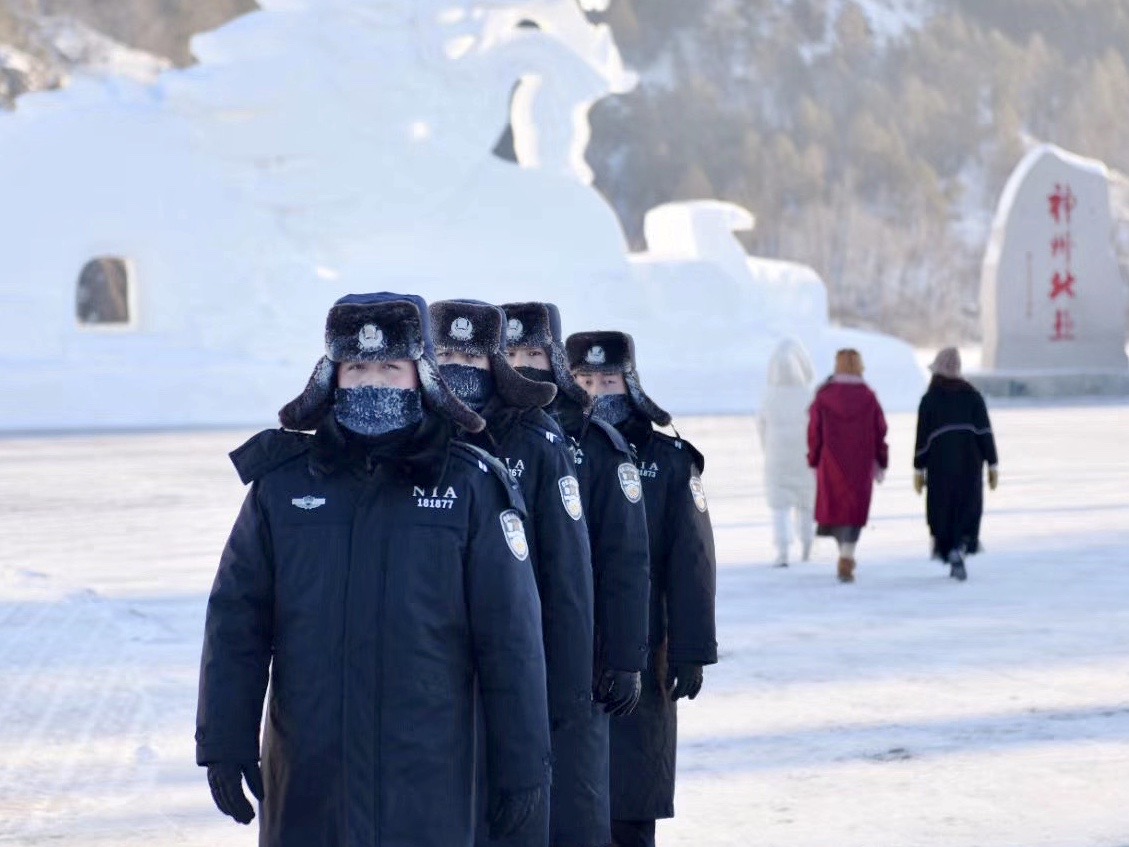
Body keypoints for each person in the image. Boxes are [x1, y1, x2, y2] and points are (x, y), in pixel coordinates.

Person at [196, 292, 552, 847]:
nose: (371, 383)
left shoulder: (470, 486)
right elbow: (237, 621)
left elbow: (512, 639)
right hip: (309, 775)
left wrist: (524, 766)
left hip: (428, 778)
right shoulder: (282, 485)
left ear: (423, 376)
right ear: (330, 377)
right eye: (355, 366)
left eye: (391, 366)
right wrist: (225, 740)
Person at [428, 299, 596, 847]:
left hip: (518, 667)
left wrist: (568, 691)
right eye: (447, 353)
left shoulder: (539, 441)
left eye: (473, 358)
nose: (459, 368)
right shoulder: (412, 438)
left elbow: (568, 578)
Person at [502, 301, 651, 847]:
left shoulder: (598, 448)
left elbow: (624, 562)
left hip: (576, 660)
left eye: (535, 352)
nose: (523, 363)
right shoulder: (468, 441)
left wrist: (625, 658)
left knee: (573, 807)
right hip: (496, 660)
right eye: (511, 351)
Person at [567, 330, 716, 847]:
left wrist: (691, 649)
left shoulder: (669, 459)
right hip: (569, 646)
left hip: (645, 646)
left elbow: (691, 559)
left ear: (630, 382)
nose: (595, 391)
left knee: (630, 796)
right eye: (584, 379)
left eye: (607, 379)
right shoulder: (550, 450)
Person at [913, 347, 999, 581]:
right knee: (967, 506)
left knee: (942, 509)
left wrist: (918, 467)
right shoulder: (973, 396)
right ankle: (960, 547)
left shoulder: (929, 399)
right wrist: (992, 463)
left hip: (939, 465)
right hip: (970, 463)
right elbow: (984, 432)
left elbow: (922, 437)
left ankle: (949, 548)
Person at [807, 348, 888, 583]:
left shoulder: (824, 396)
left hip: (830, 462)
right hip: (861, 463)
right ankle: (847, 554)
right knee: (854, 511)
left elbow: (814, 432)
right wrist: (881, 460)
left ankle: (843, 553)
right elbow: (880, 430)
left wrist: (814, 459)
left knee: (836, 508)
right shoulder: (869, 396)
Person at [757, 338, 817, 567]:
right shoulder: (808, 395)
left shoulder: (769, 396)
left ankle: (782, 550)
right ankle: (807, 545)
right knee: (806, 503)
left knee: (779, 506)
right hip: (805, 456)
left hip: (777, 457)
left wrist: (768, 450)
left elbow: (761, 427)